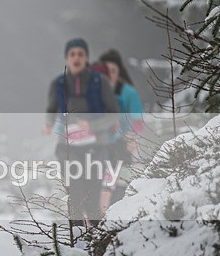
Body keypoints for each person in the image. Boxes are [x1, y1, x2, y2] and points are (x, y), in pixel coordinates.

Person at [42, 38, 118, 227]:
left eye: (80, 54)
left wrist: (91, 126)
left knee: (92, 197)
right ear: (66, 58)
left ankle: (96, 242)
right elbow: (51, 109)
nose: (76, 58)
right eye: (72, 54)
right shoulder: (58, 83)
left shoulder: (99, 82)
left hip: (96, 146)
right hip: (68, 147)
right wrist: (49, 124)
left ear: (86, 58)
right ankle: (76, 244)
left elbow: (114, 115)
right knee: (74, 194)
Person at [98, 49, 144, 212]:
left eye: (113, 70)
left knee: (121, 183)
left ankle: (119, 216)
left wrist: (130, 138)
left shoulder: (128, 93)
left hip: (121, 145)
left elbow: (138, 122)